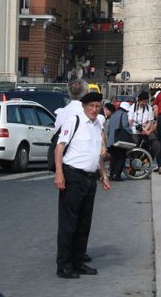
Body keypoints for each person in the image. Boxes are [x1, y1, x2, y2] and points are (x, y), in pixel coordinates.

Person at [54, 91, 111, 279]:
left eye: (97, 106)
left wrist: (103, 174)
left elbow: (98, 153)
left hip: (90, 178)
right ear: (84, 106)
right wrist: (59, 174)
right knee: (69, 223)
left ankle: (78, 262)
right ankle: (64, 265)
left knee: (84, 223)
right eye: (91, 106)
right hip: (72, 176)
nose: (94, 109)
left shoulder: (97, 125)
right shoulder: (74, 121)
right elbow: (59, 148)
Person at [106, 101, 134, 181]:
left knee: (113, 158)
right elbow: (125, 126)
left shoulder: (113, 114)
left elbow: (109, 129)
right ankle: (117, 175)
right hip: (118, 140)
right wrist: (131, 132)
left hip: (111, 140)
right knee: (121, 157)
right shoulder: (123, 114)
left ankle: (111, 175)